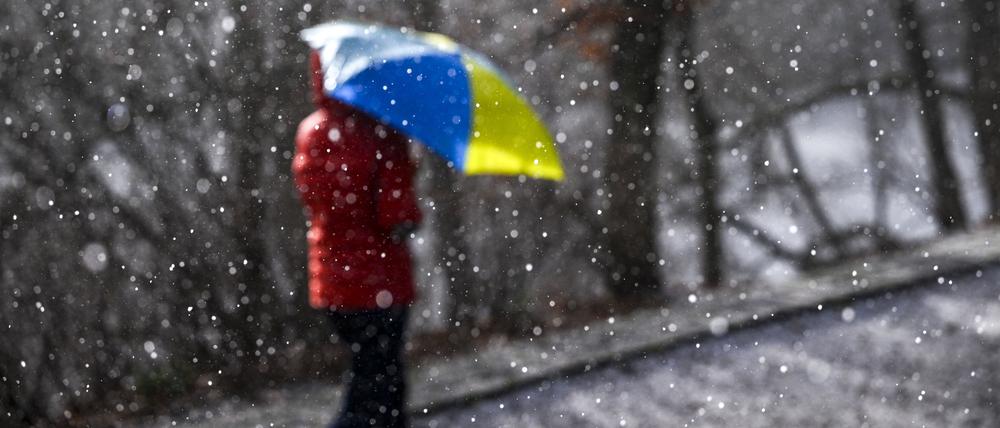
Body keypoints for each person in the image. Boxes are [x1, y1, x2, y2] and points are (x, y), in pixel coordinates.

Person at [293, 50, 422, 428]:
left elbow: (320, 202)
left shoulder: (311, 131)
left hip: (333, 282)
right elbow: (397, 218)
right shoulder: (381, 134)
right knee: (382, 384)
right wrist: (405, 164)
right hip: (379, 280)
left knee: (367, 371)